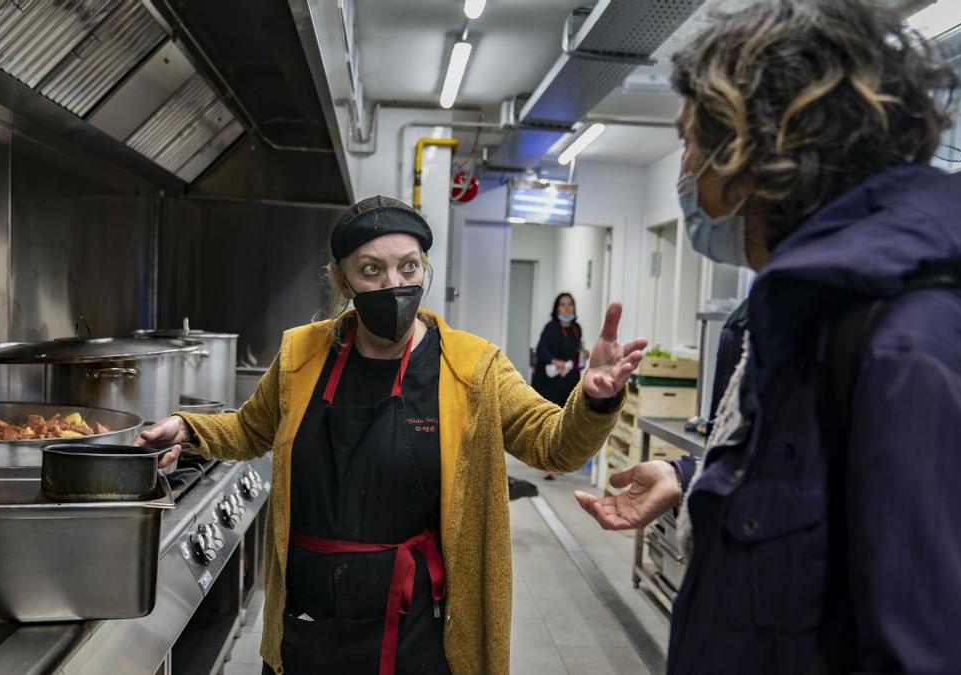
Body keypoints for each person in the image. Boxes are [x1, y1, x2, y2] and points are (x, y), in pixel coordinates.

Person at [574, 2, 961, 673]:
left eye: (690, 142)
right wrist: (691, 476)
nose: (684, 172)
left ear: (752, 152)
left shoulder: (906, 347)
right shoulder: (796, 318)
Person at [137, 195, 647, 675]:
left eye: (409, 266)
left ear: (425, 270)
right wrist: (191, 427)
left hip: (416, 619)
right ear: (343, 282)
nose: (394, 283)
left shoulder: (472, 367)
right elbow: (250, 429)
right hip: (309, 614)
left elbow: (553, 443)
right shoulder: (302, 355)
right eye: (371, 270)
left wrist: (595, 398)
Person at [531, 293, 589, 479]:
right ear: (557, 309)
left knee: (566, 422)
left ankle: (560, 461)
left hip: (568, 381)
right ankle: (547, 464)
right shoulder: (551, 327)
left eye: (570, 304)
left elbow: (576, 351)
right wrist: (554, 360)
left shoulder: (576, 329)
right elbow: (541, 350)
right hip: (549, 381)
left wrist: (583, 354)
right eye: (562, 305)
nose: (566, 308)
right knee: (550, 421)